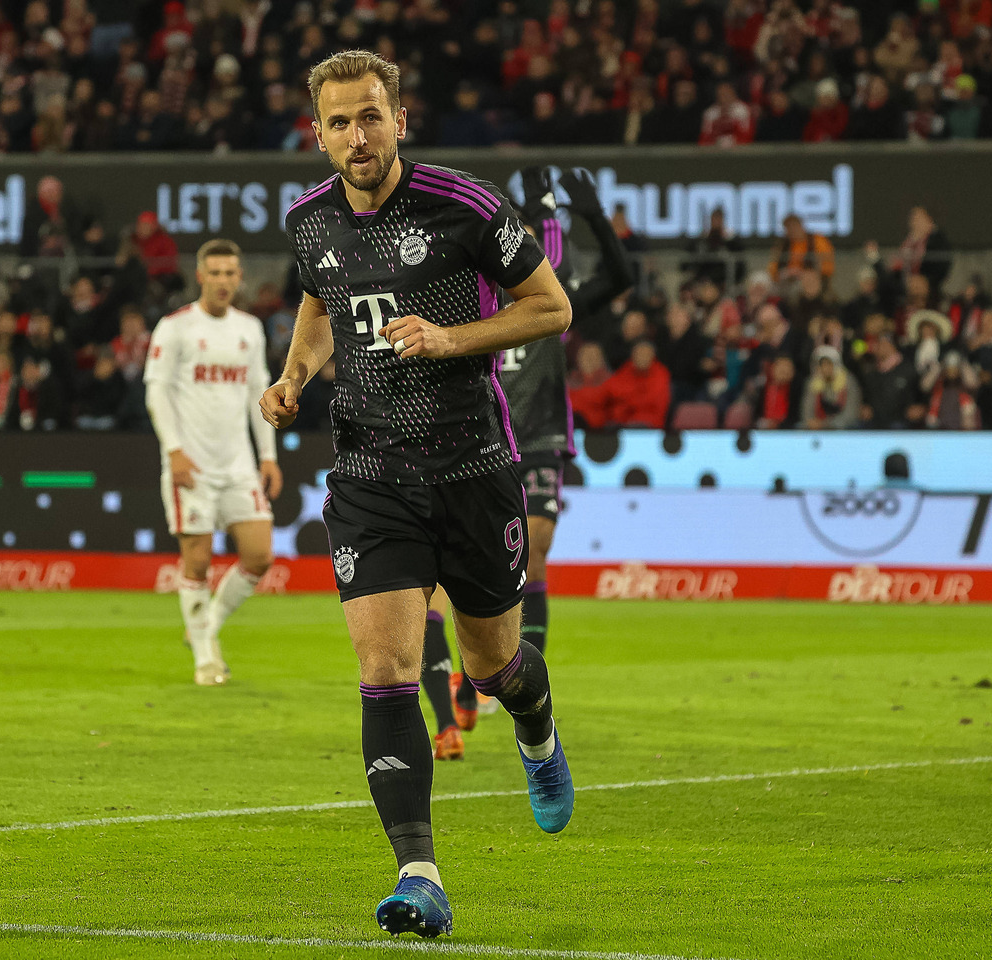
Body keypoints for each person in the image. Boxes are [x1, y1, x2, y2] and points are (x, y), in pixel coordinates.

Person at [260, 50, 574, 939]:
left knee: (490, 666)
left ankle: (538, 729)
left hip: (473, 469)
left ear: (401, 119)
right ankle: (419, 875)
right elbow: (322, 307)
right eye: (338, 123)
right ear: (317, 134)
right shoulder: (309, 222)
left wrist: (450, 337)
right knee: (386, 667)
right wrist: (293, 377)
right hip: (369, 477)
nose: (357, 136)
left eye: (370, 116)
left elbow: (549, 308)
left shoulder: (464, 205)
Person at [449, 163, 631, 731]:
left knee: (537, 542)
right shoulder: (468, 301)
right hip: (484, 439)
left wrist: (592, 216)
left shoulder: (549, 299)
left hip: (544, 435)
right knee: (481, 564)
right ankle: (484, 670)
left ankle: (531, 675)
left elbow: (620, 276)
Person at [144, 238, 282, 687]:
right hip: (193, 465)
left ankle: (206, 627)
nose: (223, 281)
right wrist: (174, 450)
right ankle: (206, 657)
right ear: (200, 276)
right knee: (196, 562)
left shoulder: (248, 329)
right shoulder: (176, 327)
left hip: (239, 464)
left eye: (231, 273)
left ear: (240, 278)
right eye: (215, 273)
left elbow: (257, 394)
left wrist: (267, 456)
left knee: (260, 556)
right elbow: (156, 391)